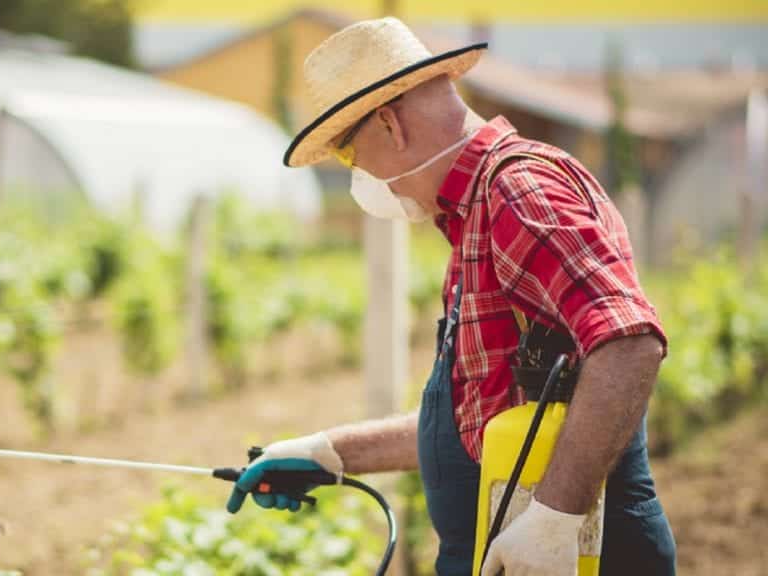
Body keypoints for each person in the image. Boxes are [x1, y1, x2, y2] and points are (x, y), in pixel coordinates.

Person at [225, 17, 677, 576]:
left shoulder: (518, 191)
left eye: (347, 153)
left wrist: (557, 516)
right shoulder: (474, 217)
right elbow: (484, 420)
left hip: (575, 558)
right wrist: (330, 452)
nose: (359, 175)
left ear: (389, 124)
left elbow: (630, 342)